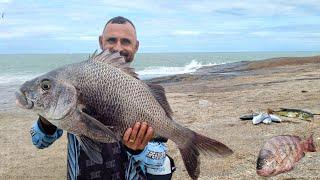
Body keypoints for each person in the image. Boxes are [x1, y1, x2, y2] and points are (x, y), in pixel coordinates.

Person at [30, 16, 175, 180]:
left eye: (126, 41)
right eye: (112, 40)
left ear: (136, 46)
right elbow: (39, 142)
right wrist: (46, 120)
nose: (118, 48)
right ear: (101, 41)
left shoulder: (145, 97)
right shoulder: (74, 82)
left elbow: (161, 173)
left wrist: (139, 150)